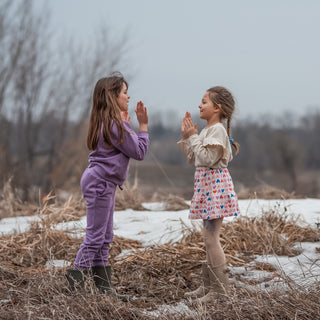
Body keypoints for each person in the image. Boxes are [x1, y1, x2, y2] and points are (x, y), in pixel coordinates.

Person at [66, 72, 149, 301]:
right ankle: (74, 291)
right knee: (95, 237)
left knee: (105, 236)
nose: (128, 96)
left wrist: (126, 125)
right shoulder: (114, 124)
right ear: (113, 96)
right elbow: (139, 151)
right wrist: (142, 127)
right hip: (100, 183)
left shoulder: (109, 121)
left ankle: (103, 289)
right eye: (124, 92)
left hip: (103, 182)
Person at [178, 86, 240, 303]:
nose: (199, 105)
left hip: (216, 188)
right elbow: (192, 157)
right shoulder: (207, 131)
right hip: (206, 188)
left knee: (211, 237)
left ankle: (220, 291)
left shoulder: (218, 131)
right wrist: (188, 137)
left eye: (204, 101)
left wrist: (194, 137)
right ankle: (209, 286)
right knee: (208, 237)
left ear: (217, 108)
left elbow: (206, 158)